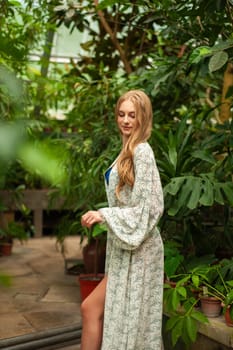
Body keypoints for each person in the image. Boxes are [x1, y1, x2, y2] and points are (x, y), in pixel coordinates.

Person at [80, 90, 164, 350]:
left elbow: (150, 207)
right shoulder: (127, 150)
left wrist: (104, 214)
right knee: (92, 310)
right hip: (124, 247)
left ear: (143, 118)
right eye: (121, 114)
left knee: (127, 322)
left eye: (132, 115)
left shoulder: (142, 152)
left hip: (141, 251)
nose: (126, 120)